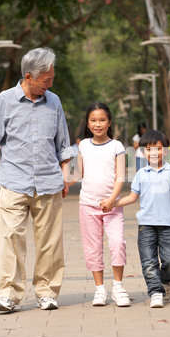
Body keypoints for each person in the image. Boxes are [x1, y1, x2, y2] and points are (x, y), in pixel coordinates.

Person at [0, 47, 73, 312]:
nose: (50, 84)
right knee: (10, 240)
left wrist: (68, 175)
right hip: (13, 181)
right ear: (29, 77)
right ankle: (8, 294)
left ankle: (46, 292)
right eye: (46, 80)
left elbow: (64, 145)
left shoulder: (54, 101)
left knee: (50, 243)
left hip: (48, 182)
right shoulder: (5, 100)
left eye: (52, 79)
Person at [109, 130, 170, 308]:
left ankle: (166, 281)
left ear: (166, 150)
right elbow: (132, 197)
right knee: (149, 262)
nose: (154, 152)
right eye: (149, 149)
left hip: (168, 225)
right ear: (143, 152)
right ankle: (155, 292)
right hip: (146, 225)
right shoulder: (141, 174)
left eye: (158, 148)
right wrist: (112, 203)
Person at [70, 102, 130, 307]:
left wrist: (113, 200)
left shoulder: (117, 146)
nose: (98, 124)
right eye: (93, 120)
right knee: (93, 248)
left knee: (117, 243)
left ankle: (119, 288)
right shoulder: (83, 146)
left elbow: (120, 177)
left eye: (102, 120)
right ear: (88, 124)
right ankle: (99, 290)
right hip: (88, 205)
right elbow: (78, 173)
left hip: (112, 206)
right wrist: (62, 182)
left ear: (109, 122)